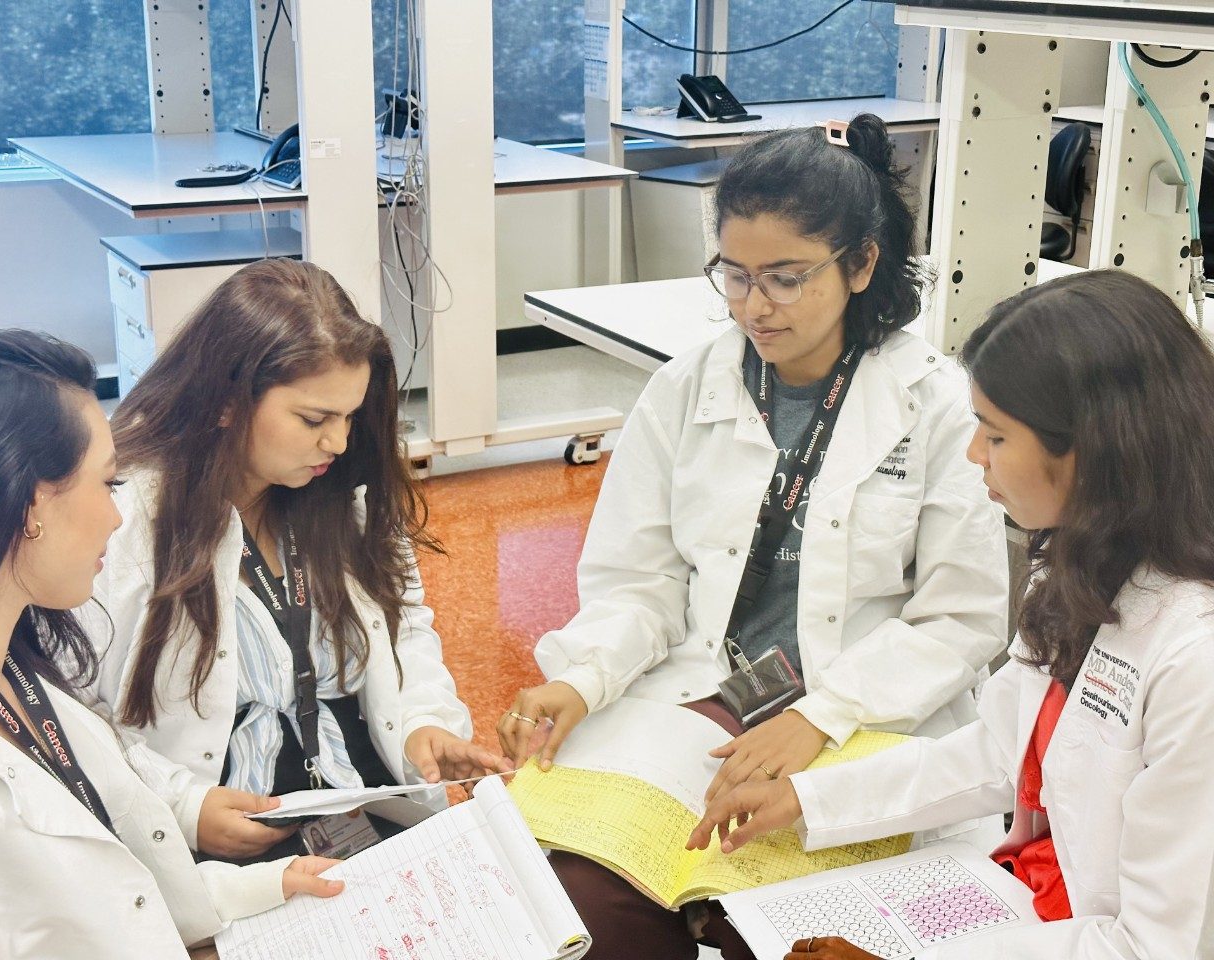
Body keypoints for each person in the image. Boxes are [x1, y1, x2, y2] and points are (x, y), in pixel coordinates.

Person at [498, 115, 1009, 958]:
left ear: (861, 265)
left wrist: (821, 716)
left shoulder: (936, 403)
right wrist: (583, 680)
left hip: (864, 719)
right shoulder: (685, 387)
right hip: (701, 704)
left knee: (777, 933)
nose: (752, 307)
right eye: (732, 275)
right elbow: (642, 581)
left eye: (784, 278)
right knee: (586, 907)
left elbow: (962, 617)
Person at [690, 269, 1214, 959]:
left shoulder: (1193, 656)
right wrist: (808, 802)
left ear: (1094, 449)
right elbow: (1000, 751)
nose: (974, 457)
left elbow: (1155, 948)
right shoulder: (1076, 564)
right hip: (1034, 906)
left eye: (995, 437)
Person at [0, 329, 341, 957]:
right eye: (107, 484)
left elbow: (108, 899)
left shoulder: (15, 674)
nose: (118, 516)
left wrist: (261, 888)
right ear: (28, 506)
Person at [83, 258, 506, 862]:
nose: (336, 442)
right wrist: (182, 806)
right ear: (227, 401)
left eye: (350, 417)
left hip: (363, 809)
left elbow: (404, 628)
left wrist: (424, 723)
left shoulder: (339, 496)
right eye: (314, 419)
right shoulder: (123, 522)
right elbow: (70, 717)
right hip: (220, 841)